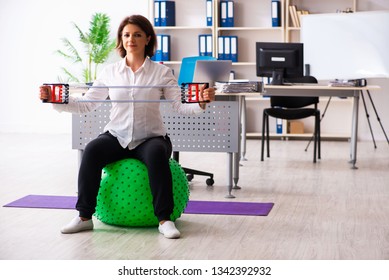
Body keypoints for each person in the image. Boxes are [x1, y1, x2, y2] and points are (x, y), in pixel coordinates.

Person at [39, 15, 215, 239]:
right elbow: (87, 104)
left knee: (156, 155)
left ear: (147, 39)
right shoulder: (109, 72)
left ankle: (164, 219)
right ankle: (84, 217)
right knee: (92, 150)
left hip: (151, 137)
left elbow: (179, 107)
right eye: (126, 35)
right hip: (117, 135)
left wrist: (200, 103)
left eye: (137, 34)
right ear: (121, 40)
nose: (131, 39)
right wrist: (55, 101)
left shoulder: (162, 72)